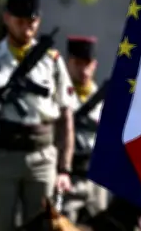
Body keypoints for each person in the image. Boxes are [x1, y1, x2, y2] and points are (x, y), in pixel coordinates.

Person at [0, 0, 78, 231]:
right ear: (7, 19)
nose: (27, 27)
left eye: (31, 21)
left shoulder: (51, 61)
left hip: (42, 156)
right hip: (2, 155)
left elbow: (65, 116)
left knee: (43, 225)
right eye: (20, 21)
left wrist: (64, 168)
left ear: (38, 21)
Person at [60, 35, 109, 222]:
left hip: (95, 179)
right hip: (70, 177)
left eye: (87, 63)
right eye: (77, 63)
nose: (83, 69)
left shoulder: (102, 99)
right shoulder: (59, 93)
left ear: (94, 65)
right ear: (68, 63)